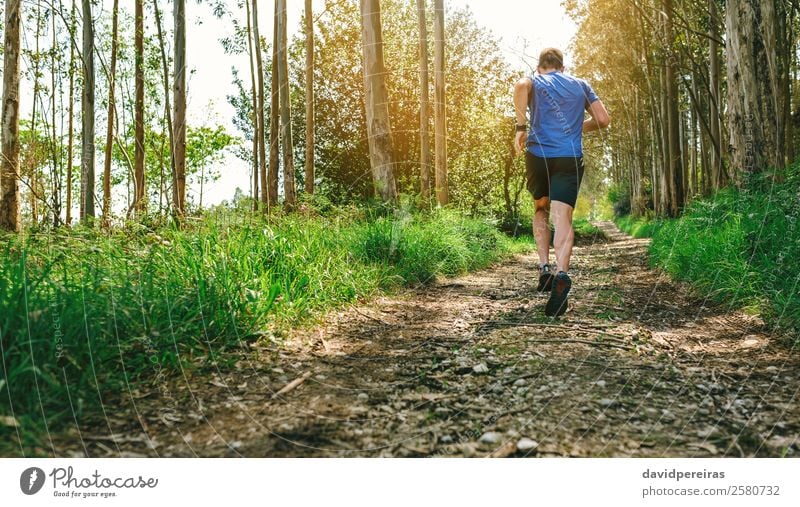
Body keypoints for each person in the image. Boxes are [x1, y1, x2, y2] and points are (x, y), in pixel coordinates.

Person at [513, 48, 610, 317]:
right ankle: (562, 273)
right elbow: (603, 119)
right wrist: (579, 125)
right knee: (562, 216)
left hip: (539, 154)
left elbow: (521, 85)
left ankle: (544, 267)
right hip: (569, 156)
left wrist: (521, 128)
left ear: (540, 66)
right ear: (562, 67)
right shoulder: (580, 84)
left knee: (540, 208)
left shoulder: (535, 80)